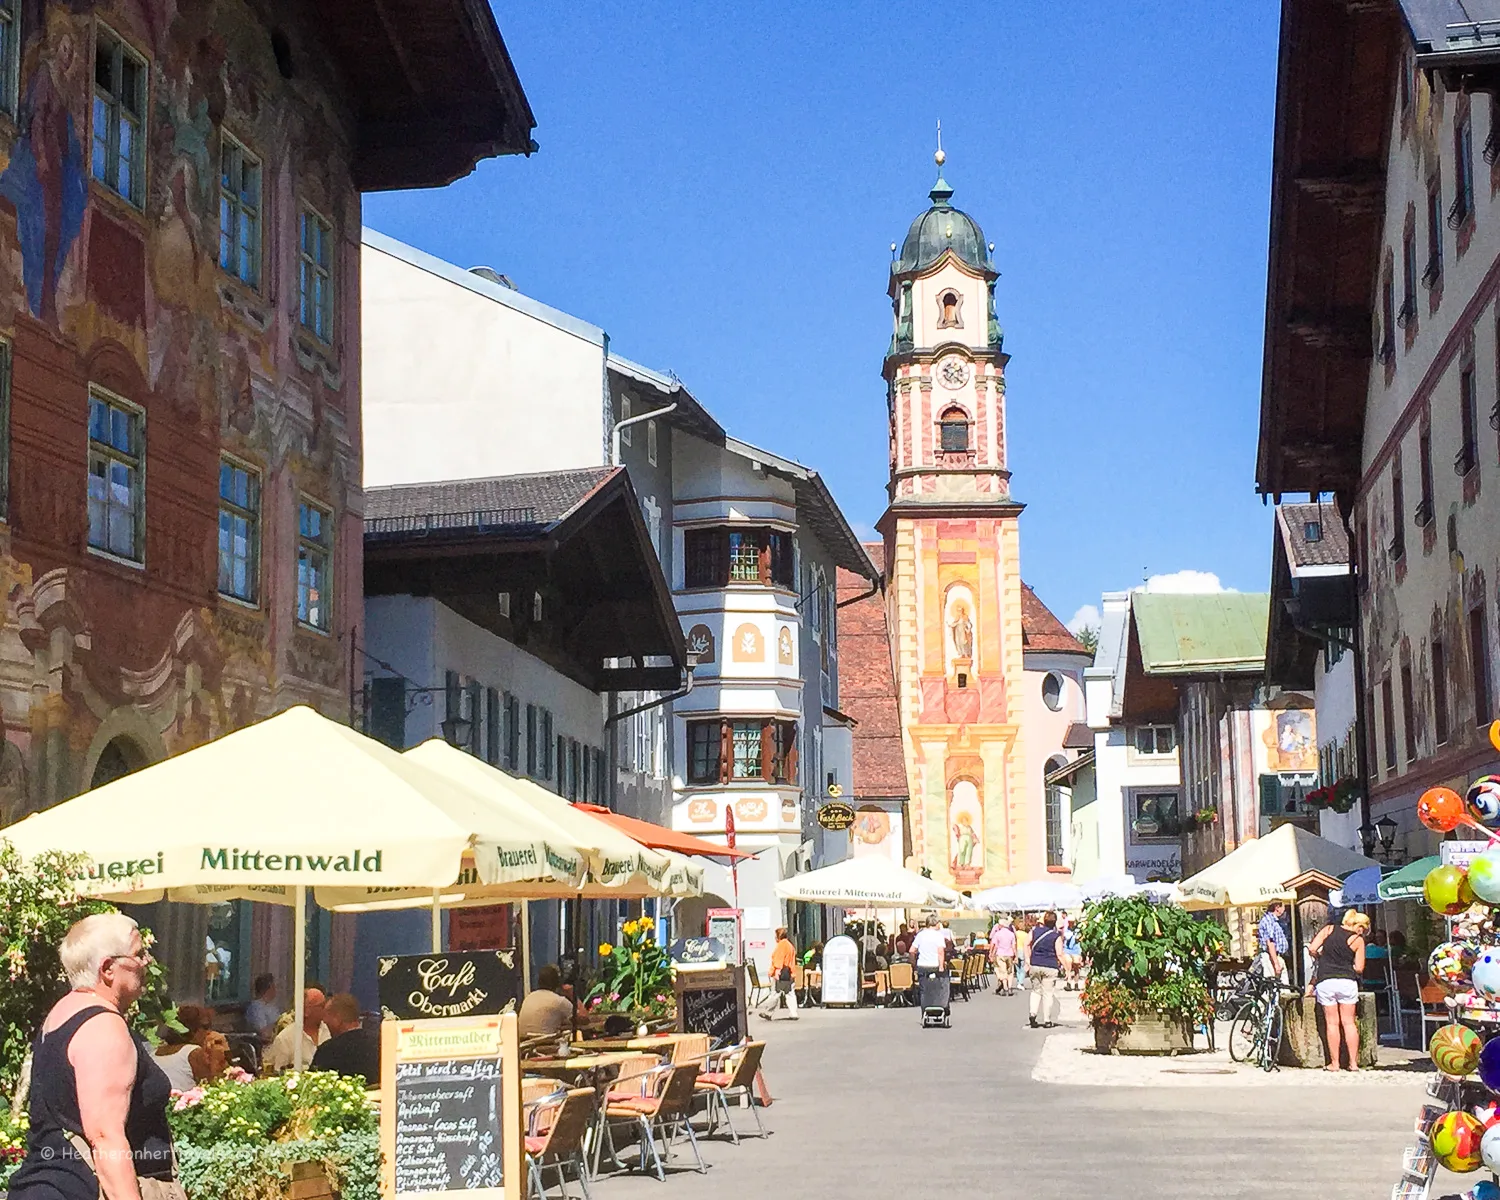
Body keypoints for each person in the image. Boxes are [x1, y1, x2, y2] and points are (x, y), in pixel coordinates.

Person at [8, 913, 179, 1200]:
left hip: (49, 1184)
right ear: (108, 968)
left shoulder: (63, 1012)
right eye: (139, 954)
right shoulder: (103, 1027)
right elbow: (105, 1137)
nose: (146, 961)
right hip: (84, 1189)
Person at [1309, 910, 1369, 1072]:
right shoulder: (1357, 940)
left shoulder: (1328, 930)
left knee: (1332, 1023)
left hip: (1326, 980)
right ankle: (1353, 1063)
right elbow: (1359, 968)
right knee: (1349, 1023)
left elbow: (1312, 948)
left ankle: (1334, 1063)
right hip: (1347, 981)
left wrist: (1321, 955)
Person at [153, 1005, 228, 1092]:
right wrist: (218, 1048)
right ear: (192, 1029)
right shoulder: (193, 1052)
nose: (209, 1031)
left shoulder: (153, 1052)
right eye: (206, 1027)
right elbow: (215, 1084)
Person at [311, 994, 380, 1085]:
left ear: (337, 1018)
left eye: (327, 1015)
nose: (324, 1021)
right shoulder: (380, 1043)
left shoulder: (328, 1050)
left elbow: (313, 1084)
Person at [264, 988, 330, 1072]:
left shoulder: (329, 1031)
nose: (326, 1009)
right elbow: (279, 1073)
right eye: (322, 1005)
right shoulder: (285, 1038)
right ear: (306, 1011)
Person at [517, 965, 575, 1050]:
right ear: (558, 983)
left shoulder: (529, 997)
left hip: (524, 1047)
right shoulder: (559, 1001)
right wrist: (571, 994)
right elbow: (584, 1018)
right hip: (547, 1047)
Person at [1026, 911, 1063, 1029]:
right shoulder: (1055, 936)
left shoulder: (1034, 931)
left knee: (1036, 991)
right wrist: (1067, 969)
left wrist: (1028, 959)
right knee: (1048, 993)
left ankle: (1033, 1014)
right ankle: (1047, 1020)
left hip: (1035, 964)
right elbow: (1060, 953)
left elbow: (1026, 943)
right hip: (1050, 965)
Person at [910, 914, 949, 1017]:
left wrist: (914, 963)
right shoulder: (938, 935)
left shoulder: (920, 935)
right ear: (935, 923)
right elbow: (940, 952)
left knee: (924, 991)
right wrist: (941, 966)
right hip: (934, 965)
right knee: (937, 989)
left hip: (922, 965)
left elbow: (911, 950)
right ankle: (937, 1010)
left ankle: (924, 1012)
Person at [760, 928, 800, 1020]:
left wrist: (774, 972)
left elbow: (778, 960)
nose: (775, 938)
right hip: (790, 973)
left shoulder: (781, 946)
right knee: (790, 993)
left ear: (779, 936)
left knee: (775, 993)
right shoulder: (790, 945)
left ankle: (768, 1012)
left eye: (775, 936)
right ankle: (794, 1013)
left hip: (781, 973)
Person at [1256, 901, 1290, 985]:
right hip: (1271, 957)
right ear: (1277, 907)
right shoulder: (1268, 921)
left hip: (1277, 956)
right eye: (1283, 907)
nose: (1284, 910)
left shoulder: (1275, 921)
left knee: (1284, 987)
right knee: (1272, 986)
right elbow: (1270, 943)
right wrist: (1276, 964)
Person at [244, 974, 281, 1045]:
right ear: (268, 989)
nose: (276, 990)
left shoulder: (272, 1007)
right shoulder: (256, 1008)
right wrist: (279, 1025)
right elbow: (264, 1033)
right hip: (265, 1045)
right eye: (274, 987)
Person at [989, 917, 1018, 996]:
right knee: (1010, 971)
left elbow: (995, 945)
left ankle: (1005, 987)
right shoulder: (1011, 934)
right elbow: (1013, 946)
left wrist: (991, 954)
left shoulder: (998, 934)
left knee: (1003, 971)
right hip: (1009, 954)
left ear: (1001, 925)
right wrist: (1016, 955)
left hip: (1000, 954)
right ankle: (1010, 987)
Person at [1062, 920, 1084, 991]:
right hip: (1067, 950)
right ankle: (1068, 983)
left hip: (1076, 950)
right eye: (1069, 922)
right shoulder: (1066, 929)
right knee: (1068, 966)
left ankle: (1076, 984)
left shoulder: (1078, 929)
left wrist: (1079, 939)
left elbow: (1082, 937)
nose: (1070, 923)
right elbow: (1066, 937)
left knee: (1076, 967)